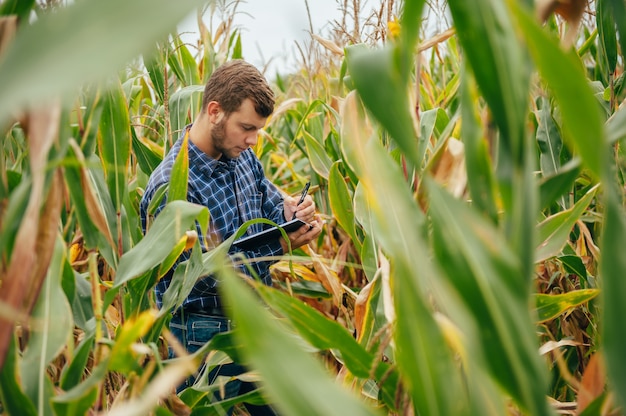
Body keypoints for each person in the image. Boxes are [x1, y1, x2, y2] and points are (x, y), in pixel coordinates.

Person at [139, 59, 322, 415]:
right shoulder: (172, 187)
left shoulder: (243, 158)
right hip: (199, 334)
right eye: (246, 128)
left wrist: (293, 213)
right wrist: (281, 245)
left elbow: (270, 206)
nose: (253, 140)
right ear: (215, 111)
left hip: (253, 321)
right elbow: (196, 277)